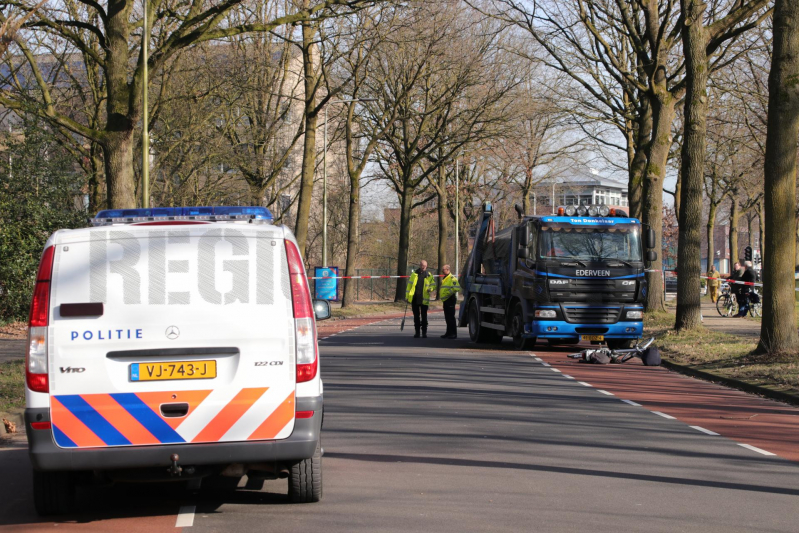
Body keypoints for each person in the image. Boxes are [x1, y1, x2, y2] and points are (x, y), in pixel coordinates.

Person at [405, 260, 436, 338]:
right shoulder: (414, 274)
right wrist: (407, 296)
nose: (424, 267)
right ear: (420, 265)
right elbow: (409, 286)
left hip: (424, 299)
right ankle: (417, 332)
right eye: (423, 266)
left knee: (424, 316)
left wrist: (431, 289)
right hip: (415, 298)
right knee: (416, 316)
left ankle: (424, 332)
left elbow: (433, 285)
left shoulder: (429, 275)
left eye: (425, 266)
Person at [438, 264, 461, 339]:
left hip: (450, 299)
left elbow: (456, 288)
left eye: (443, 270)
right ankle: (448, 332)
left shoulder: (452, 278)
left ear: (448, 270)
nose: (442, 271)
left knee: (451, 317)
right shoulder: (445, 278)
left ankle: (453, 333)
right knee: (447, 317)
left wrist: (448, 293)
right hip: (446, 300)